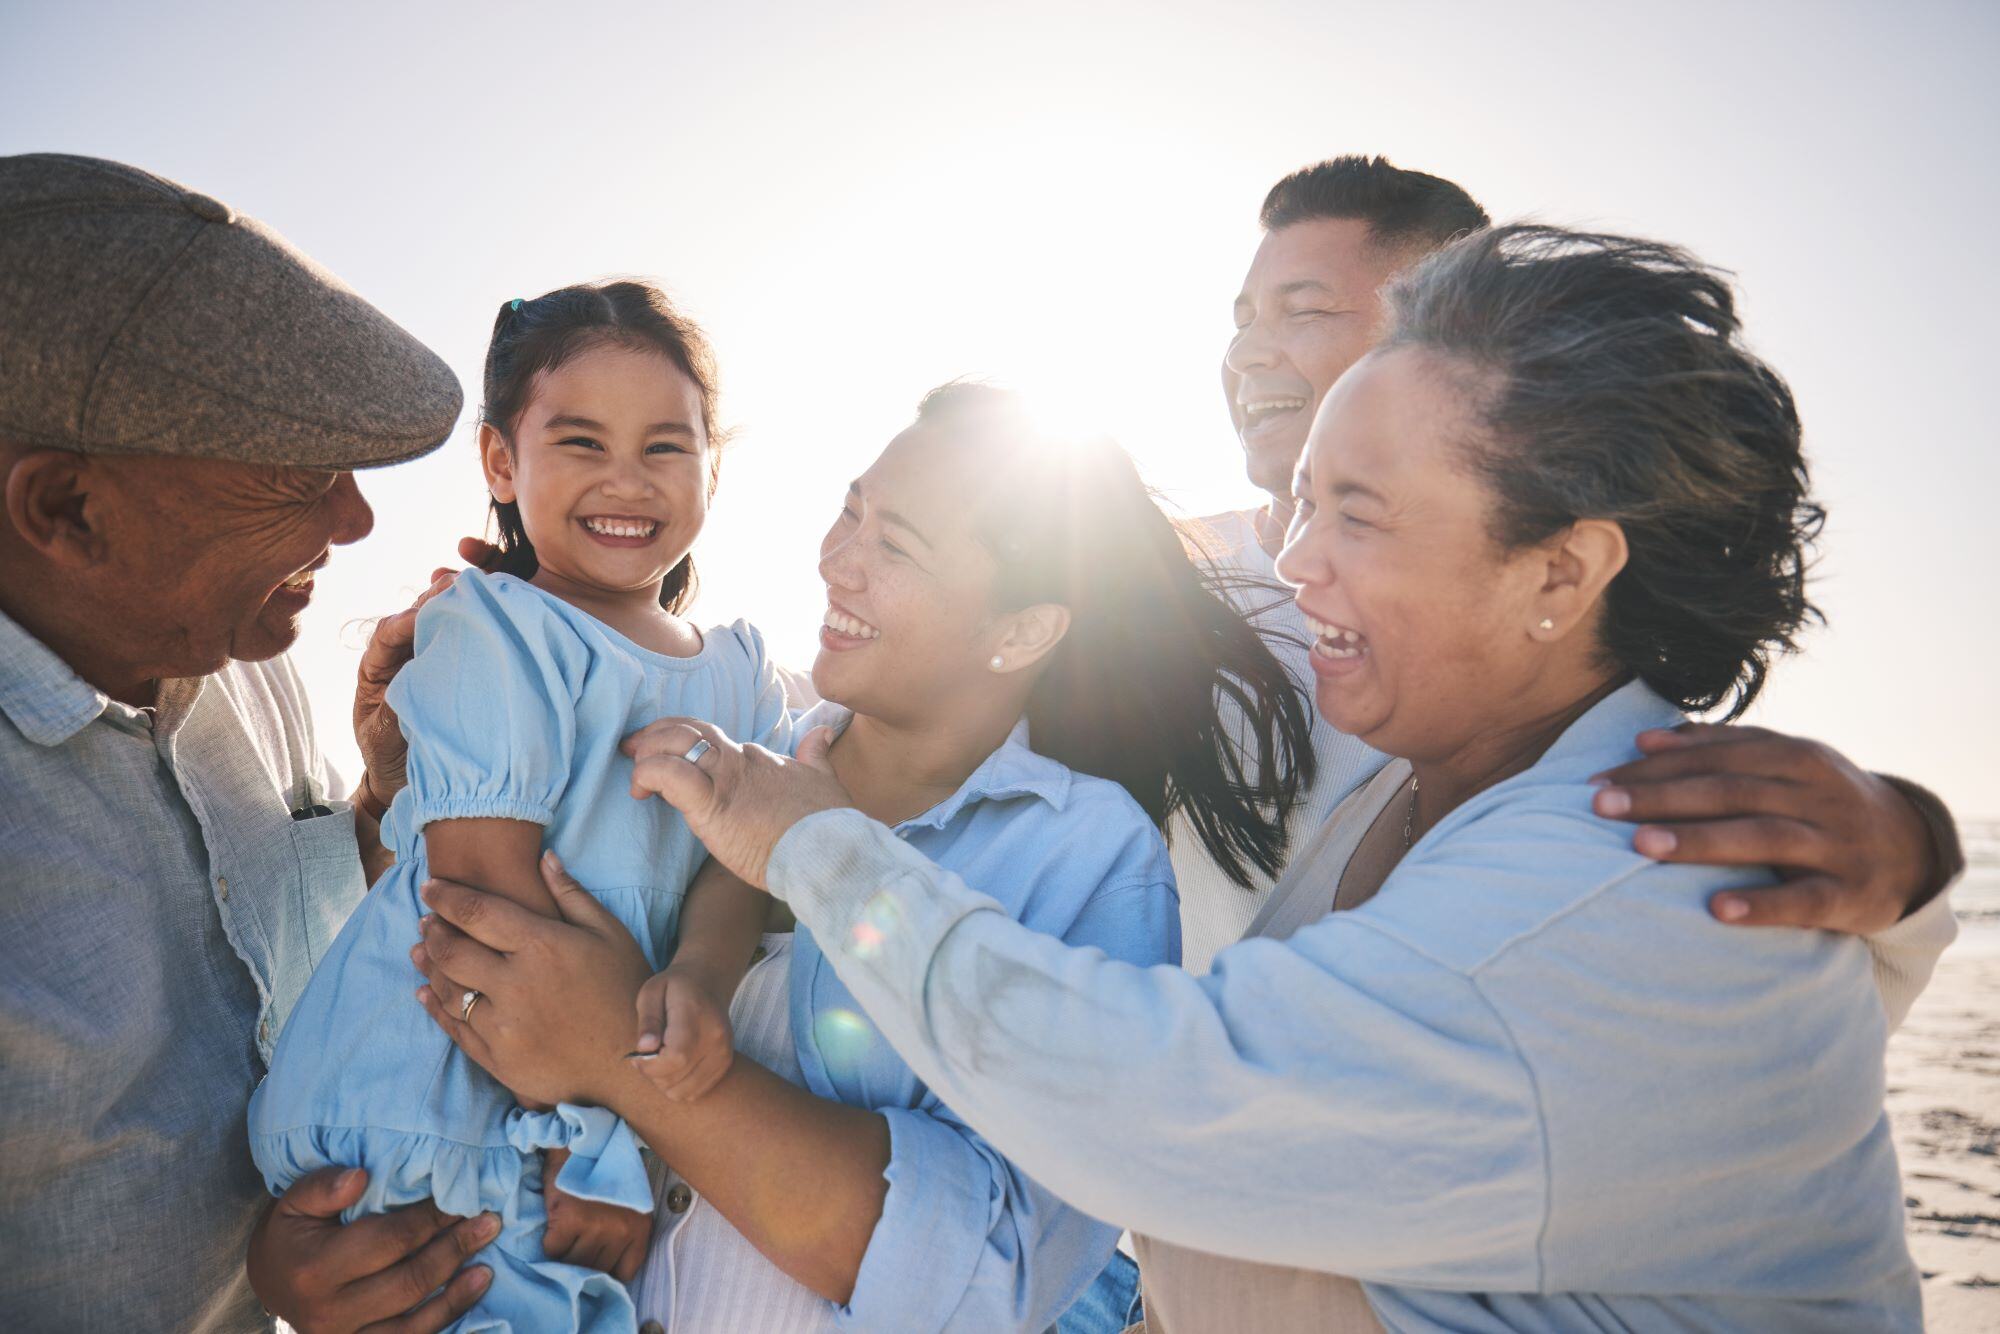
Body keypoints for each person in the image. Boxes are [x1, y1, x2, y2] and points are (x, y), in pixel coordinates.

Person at [427, 225, 1957, 1329]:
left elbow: (1151, 1103)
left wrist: (813, 857)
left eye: (1354, 511)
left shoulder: (1612, 889)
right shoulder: (1407, 768)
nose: (1291, 562)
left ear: (1564, 570)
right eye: (1300, 501)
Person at [399, 383, 1314, 1331]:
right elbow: (469, 985)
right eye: (850, 511)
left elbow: (991, 1272)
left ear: (1023, 630)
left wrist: (622, 1068)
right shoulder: (723, 754)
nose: (837, 561)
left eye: (896, 545)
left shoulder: (1085, 856)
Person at [1181, 156, 1960, 971]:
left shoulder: (1574, 699)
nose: (1245, 356)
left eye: (1302, 311)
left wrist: (1914, 854)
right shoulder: (1145, 585)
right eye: (1241, 321)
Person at [0, 153, 497, 1332]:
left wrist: (380, 809)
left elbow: (293, 959)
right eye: (291, 473)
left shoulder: (241, 656)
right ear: (66, 508)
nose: (355, 517)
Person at [249, 281, 795, 1330]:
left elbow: (740, 869)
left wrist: (693, 988)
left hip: (622, 1097)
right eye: (581, 441)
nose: (625, 480)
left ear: (712, 466)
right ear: (502, 461)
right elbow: (481, 897)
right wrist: (603, 1126)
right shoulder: (496, 630)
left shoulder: (744, 671)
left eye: (666, 447)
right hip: (462, 1103)